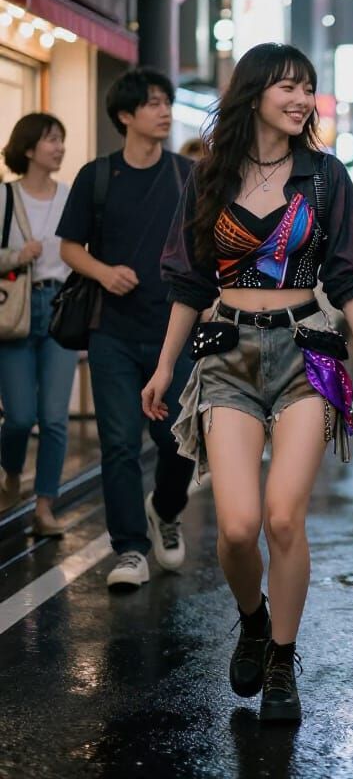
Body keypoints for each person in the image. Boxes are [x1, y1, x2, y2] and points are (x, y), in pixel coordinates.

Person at [144, 42, 353, 725]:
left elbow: (350, 276)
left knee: (283, 516)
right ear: (253, 94)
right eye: (287, 86)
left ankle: (282, 659)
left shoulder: (325, 176)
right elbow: (188, 280)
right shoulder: (208, 178)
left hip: (308, 353)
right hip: (226, 355)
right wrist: (166, 365)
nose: (302, 99)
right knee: (238, 526)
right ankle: (253, 618)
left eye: (307, 87)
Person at [58, 70, 194, 590]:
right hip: (111, 331)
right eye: (153, 104)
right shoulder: (97, 176)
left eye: (166, 103)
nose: (163, 111)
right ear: (125, 116)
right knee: (117, 442)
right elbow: (70, 245)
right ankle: (131, 549)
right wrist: (103, 271)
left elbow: (206, 245)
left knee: (177, 439)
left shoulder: (187, 175)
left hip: (172, 332)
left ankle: (165, 509)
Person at [0, 114, 77, 535]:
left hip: (60, 309)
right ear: (29, 148)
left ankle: (45, 506)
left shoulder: (69, 197)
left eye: (61, 140)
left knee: (53, 417)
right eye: (51, 140)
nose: (59, 147)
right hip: (15, 309)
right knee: (18, 417)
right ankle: (10, 467)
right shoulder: (5, 197)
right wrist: (16, 255)